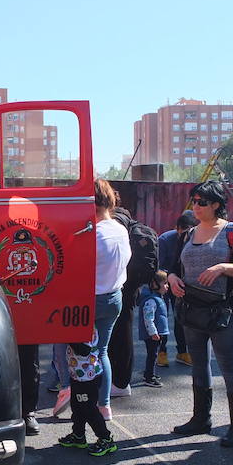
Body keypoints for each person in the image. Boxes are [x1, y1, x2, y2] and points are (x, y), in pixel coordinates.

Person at [167, 180, 233, 447]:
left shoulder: (232, 231)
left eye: (202, 201)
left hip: (223, 310)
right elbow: (171, 267)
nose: (196, 206)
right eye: (194, 201)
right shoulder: (187, 233)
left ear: (217, 204)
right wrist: (171, 278)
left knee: (228, 363)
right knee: (198, 363)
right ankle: (200, 419)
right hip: (191, 308)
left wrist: (223, 268)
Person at [90, 178, 131, 421]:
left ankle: (69, 390)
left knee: (79, 352)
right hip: (115, 297)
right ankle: (104, 405)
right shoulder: (120, 229)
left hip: (92, 298)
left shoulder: (92, 234)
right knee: (102, 351)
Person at [107, 206, 157, 398]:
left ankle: (118, 382)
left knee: (114, 336)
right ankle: (121, 381)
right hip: (132, 285)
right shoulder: (134, 226)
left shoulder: (113, 224)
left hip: (115, 284)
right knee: (124, 332)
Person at [56, 327, 117, 456]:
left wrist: (67, 336)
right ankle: (78, 435)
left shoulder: (86, 328)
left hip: (88, 378)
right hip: (77, 375)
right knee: (77, 407)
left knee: (89, 410)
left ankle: (106, 438)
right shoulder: (75, 326)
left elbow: (84, 350)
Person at [156, 211, 197, 367]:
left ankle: (182, 351)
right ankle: (161, 351)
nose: (186, 234)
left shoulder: (194, 239)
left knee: (181, 318)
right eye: (184, 230)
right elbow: (158, 267)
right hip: (163, 284)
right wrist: (169, 279)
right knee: (161, 317)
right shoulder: (165, 240)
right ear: (177, 228)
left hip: (181, 284)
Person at [137, 270, 169, 388]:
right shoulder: (151, 300)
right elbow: (148, 318)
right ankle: (149, 376)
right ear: (155, 285)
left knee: (154, 354)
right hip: (152, 334)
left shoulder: (157, 298)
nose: (167, 286)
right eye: (165, 283)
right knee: (152, 354)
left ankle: (151, 373)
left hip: (156, 333)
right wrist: (153, 332)